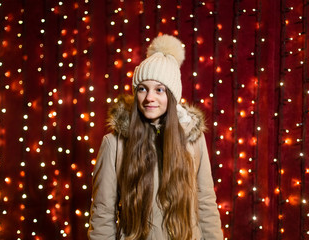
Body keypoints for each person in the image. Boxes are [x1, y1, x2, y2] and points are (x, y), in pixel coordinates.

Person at [88, 34, 223, 240]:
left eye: (159, 90)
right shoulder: (114, 144)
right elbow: (103, 212)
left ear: (172, 96)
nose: (149, 97)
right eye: (142, 89)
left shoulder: (193, 140)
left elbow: (205, 202)